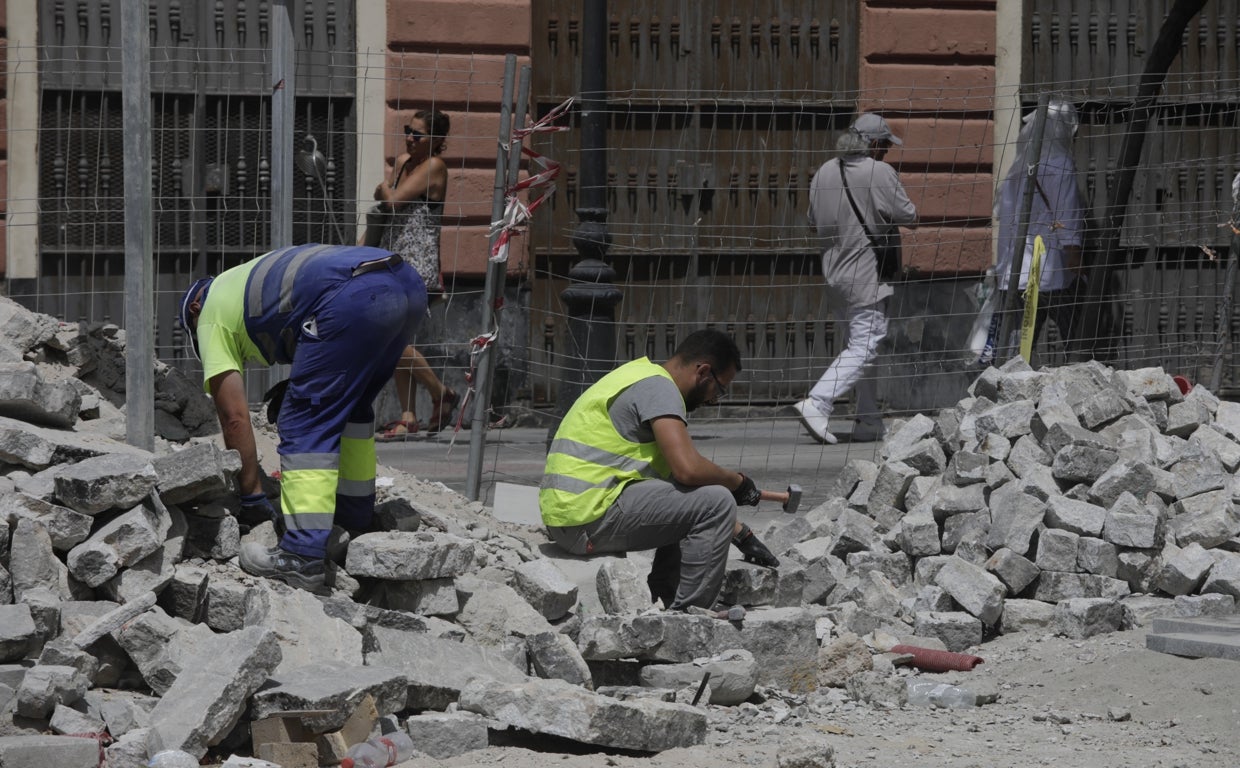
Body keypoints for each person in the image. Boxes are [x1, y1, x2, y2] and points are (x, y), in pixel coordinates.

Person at [178, 243, 427, 592]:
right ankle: (354, 521)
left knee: (305, 419)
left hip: (354, 293)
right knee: (352, 409)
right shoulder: (247, 284)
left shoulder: (210, 314)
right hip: (407, 284)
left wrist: (251, 498)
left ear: (194, 307)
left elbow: (233, 417)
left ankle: (302, 555)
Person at [540, 329, 780, 612]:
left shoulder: (639, 375)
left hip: (571, 516)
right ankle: (693, 615)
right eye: (720, 388)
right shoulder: (660, 390)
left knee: (701, 496)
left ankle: (667, 594)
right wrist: (737, 482)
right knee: (717, 500)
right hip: (587, 520)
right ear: (703, 372)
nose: (716, 400)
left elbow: (679, 486)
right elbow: (689, 471)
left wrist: (741, 535)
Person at [794, 113, 918, 445]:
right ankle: (818, 402)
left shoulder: (823, 171)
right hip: (866, 274)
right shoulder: (879, 171)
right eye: (886, 147)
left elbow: (811, 221)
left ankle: (868, 421)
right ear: (874, 144)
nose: (888, 153)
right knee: (866, 344)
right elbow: (910, 215)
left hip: (834, 274)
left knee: (857, 347)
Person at [368, 109, 459, 440]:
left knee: (391, 338)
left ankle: (441, 393)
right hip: (393, 259)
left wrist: (383, 188)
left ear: (435, 141)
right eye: (408, 130)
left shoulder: (435, 167)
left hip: (417, 266)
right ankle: (408, 416)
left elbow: (392, 202)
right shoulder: (406, 161)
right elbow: (386, 214)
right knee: (398, 338)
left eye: (418, 134)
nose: (409, 137)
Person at [992, 99, 1085, 358]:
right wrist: (1076, 261)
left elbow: (1002, 214)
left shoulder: (1018, 168)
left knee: (1019, 346)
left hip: (1014, 274)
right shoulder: (1061, 164)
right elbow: (1067, 218)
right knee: (1076, 339)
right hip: (1051, 273)